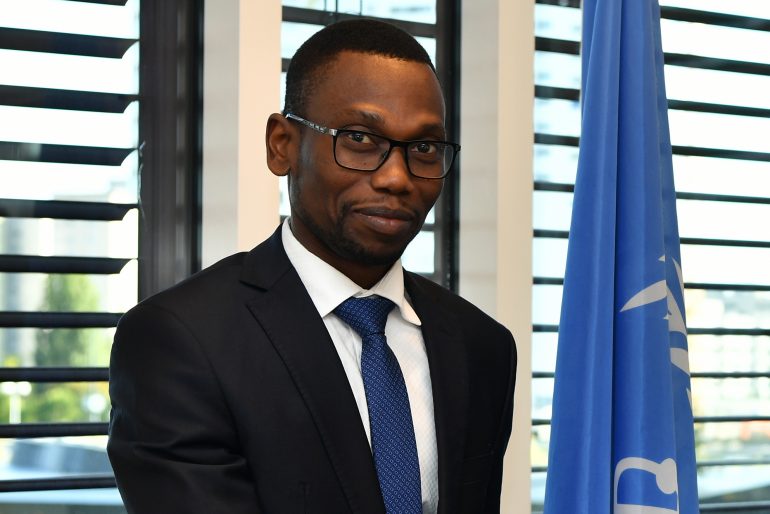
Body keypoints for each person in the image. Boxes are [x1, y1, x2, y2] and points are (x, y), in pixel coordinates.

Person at [108, 19, 516, 514]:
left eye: (425, 149)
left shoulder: (483, 347)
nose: (396, 177)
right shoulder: (181, 342)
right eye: (360, 138)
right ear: (282, 145)